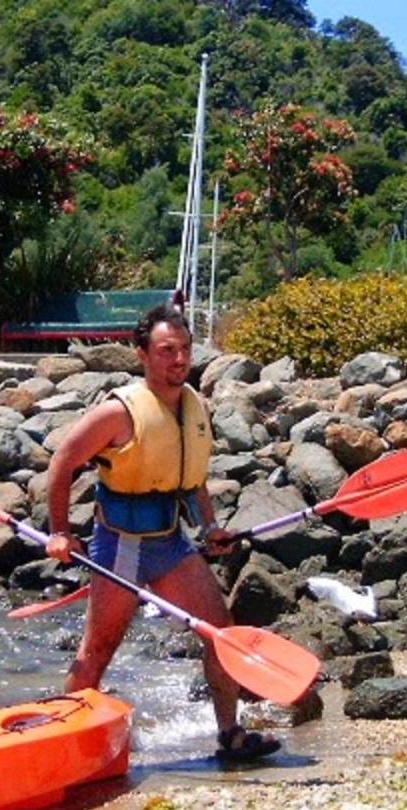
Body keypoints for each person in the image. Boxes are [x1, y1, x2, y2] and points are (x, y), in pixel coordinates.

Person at [45, 304, 280, 762]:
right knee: (98, 650)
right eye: (167, 350)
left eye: (185, 349)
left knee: (220, 633)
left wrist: (209, 528)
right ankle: (60, 747)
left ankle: (230, 735)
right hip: (120, 547)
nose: (179, 359)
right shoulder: (118, 412)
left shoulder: (192, 406)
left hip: (170, 544)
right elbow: (62, 463)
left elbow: (192, 480)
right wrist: (60, 532)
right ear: (143, 354)